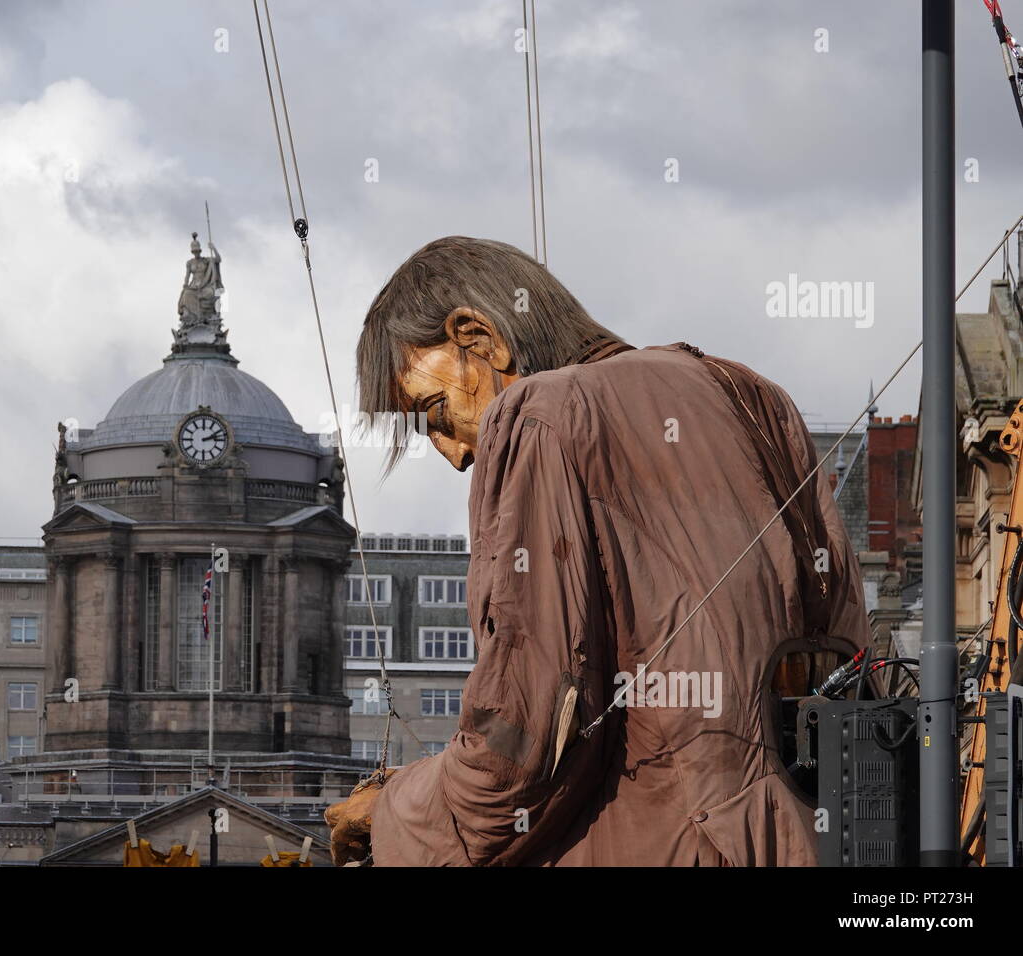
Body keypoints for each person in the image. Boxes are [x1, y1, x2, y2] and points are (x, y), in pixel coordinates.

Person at [325, 236, 869, 866]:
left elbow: (527, 728)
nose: (453, 454)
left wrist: (394, 813)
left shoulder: (537, 416)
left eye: (435, 411)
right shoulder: (752, 394)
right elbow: (844, 641)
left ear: (479, 338)